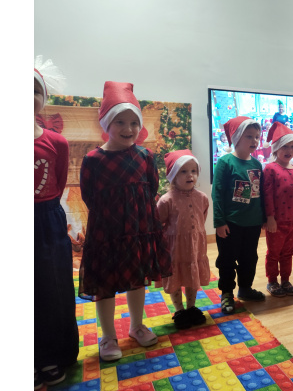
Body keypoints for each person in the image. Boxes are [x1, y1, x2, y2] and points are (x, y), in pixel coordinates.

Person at [79, 81, 172, 361]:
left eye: (133, 122)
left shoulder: (145, 156)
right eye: (120, 121)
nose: (128, 128)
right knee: (105, 285)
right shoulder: (93, 160)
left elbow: (150, 189)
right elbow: (88, 196)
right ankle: (108, 336)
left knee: (136, 279)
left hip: (139, 229)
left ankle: (136, 325)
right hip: (106, 233)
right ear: (107, 122)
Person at [34, 66, 79, 389]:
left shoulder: (57, 143)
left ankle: (51, 355)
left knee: (53, 289)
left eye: (34, 91)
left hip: (46, 220)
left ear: (44, 97)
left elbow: (59, 183)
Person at [212, 116, 266, 314]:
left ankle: (245, 288)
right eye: (249, 136)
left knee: (249, 258)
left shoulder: (257, 165)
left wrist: (263, 218)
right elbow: (217, 194)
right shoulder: (225, 162)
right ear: (236, 138)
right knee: (227, 259)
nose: (254, 140)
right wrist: (219, 222)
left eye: (257, 137)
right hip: (231, 223)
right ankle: (227, 292)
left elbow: (261, 194)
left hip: (252, 223)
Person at [157, 150, 210, 329]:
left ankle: (191, 307)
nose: (190, 175)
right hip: (175, 248)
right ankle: (179, 310)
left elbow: (202, 219)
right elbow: (159, 223)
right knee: (176, 276)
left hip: (195, 246)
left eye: (193, 171)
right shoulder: (166, 200)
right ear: (173, 176)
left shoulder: (202, 198)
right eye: (184, 171)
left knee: (192, 275)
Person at [263, 122, 293, 297]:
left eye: (292, 147)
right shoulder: (270, 169)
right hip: (277, 221)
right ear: (276, 148)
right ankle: (272, 281)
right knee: (274, 253)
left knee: (288, 252)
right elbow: (267, 195)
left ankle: (285, 280)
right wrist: (270, 217)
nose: (289, 150)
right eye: (285, 146)